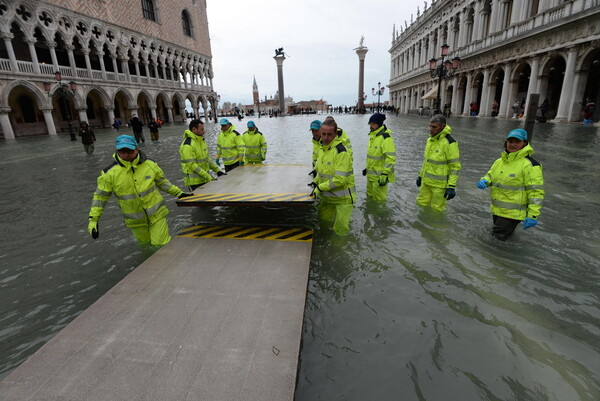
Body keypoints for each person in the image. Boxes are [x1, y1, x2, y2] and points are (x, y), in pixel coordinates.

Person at [87, 135, 192, 246]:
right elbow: (100, 197)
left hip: (157, 213)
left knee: (161, 244)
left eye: (130, 151)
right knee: (145, 245)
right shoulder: (109, 173)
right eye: (122, 152)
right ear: (116, 151)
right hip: (135, 219)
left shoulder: (150, 165)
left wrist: (179, 193)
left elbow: (162, 182)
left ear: (137, 149)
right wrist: (93, 220)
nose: (126, 155)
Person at [476, 129, 544, 240]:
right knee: (500, 238)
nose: (513, 145)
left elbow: (535, 192)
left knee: (496, 241)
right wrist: (485, 181)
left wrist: (533, 215)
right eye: (510, 141)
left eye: (517, 142)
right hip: (497, 209)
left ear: (525, 143)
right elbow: (490, 175)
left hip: (513, 213)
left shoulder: (531, 165)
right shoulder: (499, 161)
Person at [309, 119, 356, 235]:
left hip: (343, 200)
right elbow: (321, 172)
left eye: (329, 134)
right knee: (323, 223)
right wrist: (315, 182)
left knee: (340, 231)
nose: (325, 137)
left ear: (336, 134)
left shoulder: (341, 152)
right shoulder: (322, 149)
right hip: (327, 197)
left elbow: (340, 179)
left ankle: (338, 251)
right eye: (323, 134)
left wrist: (320, 188)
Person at [416, 114, 461, 212]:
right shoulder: (430, 140)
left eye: (434, 127)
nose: (430, 129)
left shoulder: (450, 143)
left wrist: (451, 186)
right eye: (430, 126)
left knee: (437, 209)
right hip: (426, 182)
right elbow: (426, 161)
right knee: (420, 204)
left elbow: (455, 166)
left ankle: (435, 226)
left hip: (440, 186)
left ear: (443, 126)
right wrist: (420, 176)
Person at [180, 119, 224, 190]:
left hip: (204, 179)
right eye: (202, 129)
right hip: (194, 182)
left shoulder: (201, 141)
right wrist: (207, 176)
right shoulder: (187, 145)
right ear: (194, 129)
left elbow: (207, 159)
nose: (204, 131)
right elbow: (192, 165)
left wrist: (217, 170)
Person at [362, 113, 396, 202]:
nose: (371, 126)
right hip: (370, 176)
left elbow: (390, 158)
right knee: (369, 198)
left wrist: (385, 174)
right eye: (370, 124)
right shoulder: (373, 136)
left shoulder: (386, 138)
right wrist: (367, 168)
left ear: (379, 124)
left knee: (379, 201)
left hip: (380, 178)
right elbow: (373, 157)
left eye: (373, 124)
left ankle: (380, 215)